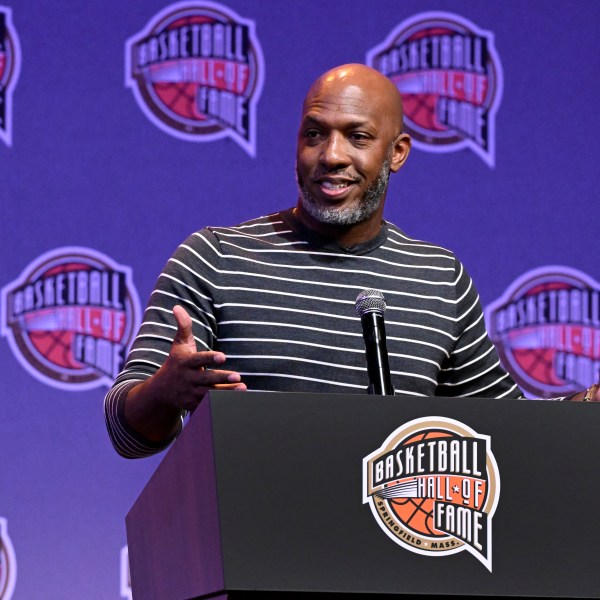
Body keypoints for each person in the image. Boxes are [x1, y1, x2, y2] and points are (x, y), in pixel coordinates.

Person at [104, 63, 599, 459]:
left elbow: (509, 433)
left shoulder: (438, 278)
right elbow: (125, 432)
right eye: (315, 134)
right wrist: (165, 391)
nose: (331, 155)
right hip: (254, 556)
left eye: (357, 137)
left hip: (397, 565)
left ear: (397, 152)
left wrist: (590, 405)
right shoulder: (215, 258)